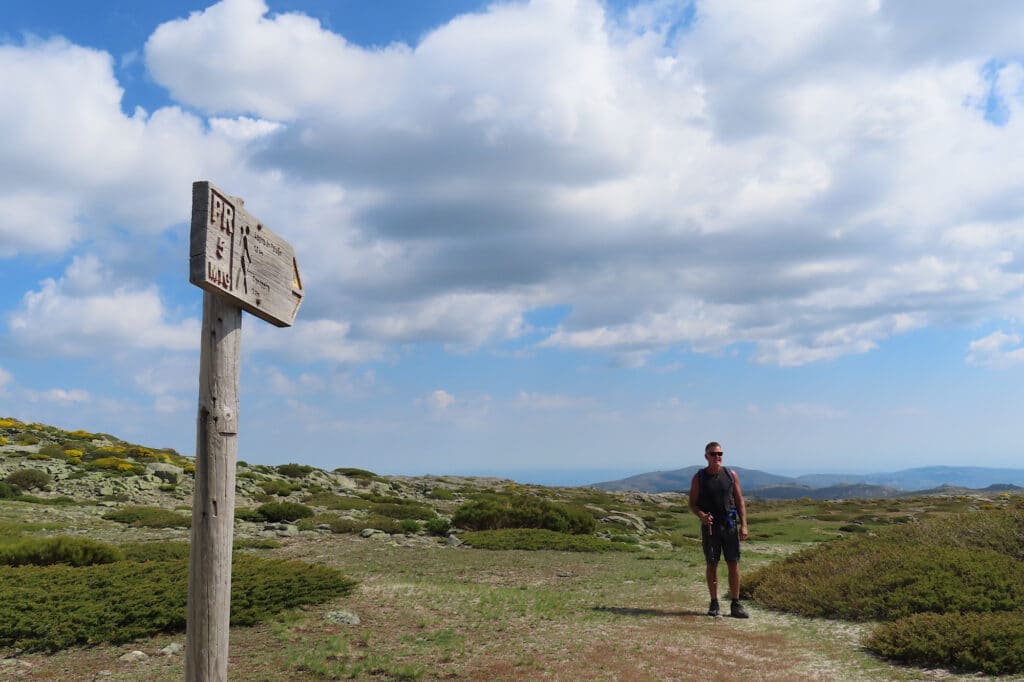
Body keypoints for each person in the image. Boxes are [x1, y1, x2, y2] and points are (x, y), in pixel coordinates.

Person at [688, 441, 749, 618]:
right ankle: (714, 603)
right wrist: (701, 515)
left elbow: (739, 501)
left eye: (720, 453)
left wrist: (744, 525)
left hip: (730, 526)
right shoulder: (699, 478)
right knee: (712, 564)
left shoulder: (731, 475)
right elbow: (692, 503)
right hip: (710, 528)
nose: (717, 457)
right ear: (706, 456)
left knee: (733, 563)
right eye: (713, 454)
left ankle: (735, 604)